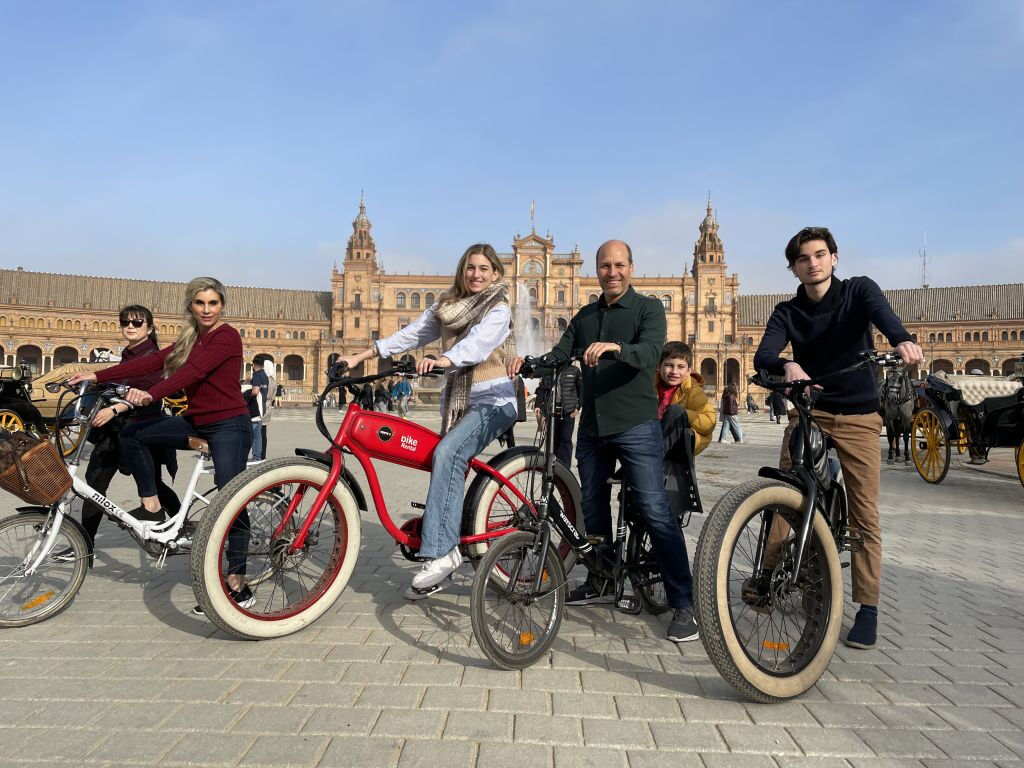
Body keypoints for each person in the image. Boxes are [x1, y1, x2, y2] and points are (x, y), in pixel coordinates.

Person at [509, 240, 699, 643]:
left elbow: (650, 352)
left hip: (636, 425)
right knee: (591, 505)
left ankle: (685, 603)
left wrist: (617, 347)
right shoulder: (586, 315)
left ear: (630, 267)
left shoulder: (648, 309)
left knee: (653, 507)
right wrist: (528, 363)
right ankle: (600, 581)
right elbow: (562, 351)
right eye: (605, 266)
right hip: (593, 428)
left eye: (618, 265)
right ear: (596, 270)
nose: (612, 272)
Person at [753, 226, 923, 649]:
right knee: (781, 492)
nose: (813, 262)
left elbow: (883, 316)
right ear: (793, 268)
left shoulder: (858, 292)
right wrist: (787, 366)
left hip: (859, 416)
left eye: (820, 254)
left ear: (834, 257)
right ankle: (767, 573)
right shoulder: (787, 313)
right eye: (803, 258)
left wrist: (902, 339)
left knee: (865, 513)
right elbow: (763, 356)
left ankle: (868, 607)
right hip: (811, 412)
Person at [339, 243, 518, 599]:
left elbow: (477, 347)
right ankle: (441, 531)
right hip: (460, 402)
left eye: (484, 268)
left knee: (448, 454)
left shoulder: (498, 308)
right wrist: (360, 355)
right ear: (462, 270)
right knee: (436, 455)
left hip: (494, 400)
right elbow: (410, 334)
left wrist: (443, 360)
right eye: (471, 267)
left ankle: (442, 553)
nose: (477, 274)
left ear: (496, 273)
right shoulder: (447, 307)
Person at [69, 277, 253, 613]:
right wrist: (97, 375)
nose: (207, 309)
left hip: (229, 424)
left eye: (213, 303)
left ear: (222, 305)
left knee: (231, 499)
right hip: (197, 421)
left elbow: (194, 372)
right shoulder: (190, 336)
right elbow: (153, 362)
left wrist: (152, 394)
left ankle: (237, 581)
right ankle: (152, 506)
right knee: (133, 434)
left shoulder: (226, 336)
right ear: (191, 306)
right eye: (200, 303)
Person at [71, 305, 180, 554]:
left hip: (142, 429)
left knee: (156, 486)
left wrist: (114, 409)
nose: (130, 326)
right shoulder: (128, 354)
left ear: (150, 328)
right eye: (125, 322)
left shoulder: (154, 355)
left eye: (137, 323)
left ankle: (177, 526)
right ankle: (84, 544)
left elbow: (149, 390)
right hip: (117, 431)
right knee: (94, 485)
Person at [655, 341, 715, 457]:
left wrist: (685, 415)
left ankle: (654, 458)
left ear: (688, 371)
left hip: (680, 444)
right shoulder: (649, 386)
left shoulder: (693, 390)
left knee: (676, 411)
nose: (674, 372)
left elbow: (709, 422)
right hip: (650, 440)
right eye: (669, 365)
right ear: (658, 366)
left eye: (680, 367)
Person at [534, 363, 582, 468]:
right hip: (551, 411)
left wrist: (578, 407)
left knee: (565, 439)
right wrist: (537, 405)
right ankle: (552, 466)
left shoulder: (574, 370)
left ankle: (565, 468)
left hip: (568, 412)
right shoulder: (548, 371)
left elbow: (581, 389)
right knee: (552, 440)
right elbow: (542, 389)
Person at [246, 355, 269, 461]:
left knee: (249, 434)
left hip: (254, 408)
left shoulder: (256, 376)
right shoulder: (264, 375)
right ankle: (257, 457)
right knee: (257, 436)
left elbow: (255, 391)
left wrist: (245, 393)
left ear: (254, 365)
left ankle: (244, 456)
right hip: (261, 408)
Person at [261, 359, 275, 457]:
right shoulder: (274, 382)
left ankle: (258, 454)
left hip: (260, 407)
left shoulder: (262, 379)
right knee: (263, 433)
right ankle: (263, 455)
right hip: (268, 407)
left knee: (257, 433)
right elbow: (273, 397)